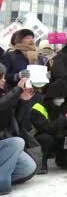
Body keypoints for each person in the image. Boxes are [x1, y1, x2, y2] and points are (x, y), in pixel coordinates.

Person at [31, 80, 67, 173]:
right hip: (42, 136)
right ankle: (42, 163)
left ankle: (63, 158)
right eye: (59, 97)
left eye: (64, 97)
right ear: (51, 97)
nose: (62, 100)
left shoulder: (65, 104)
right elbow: (46, 129)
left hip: (61, 135)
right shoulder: (38, 107)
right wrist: (65, 118)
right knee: (47, 139)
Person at [0, 64, 37, 195]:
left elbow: (17, 122)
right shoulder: (7, 96)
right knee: (17, 142)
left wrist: (23, 101)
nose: (4, 80)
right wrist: (17, 89)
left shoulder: (5, 94)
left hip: (3, 144)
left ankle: (3, 176)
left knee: (29, 167)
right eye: (1, 77)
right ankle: (2, 183)